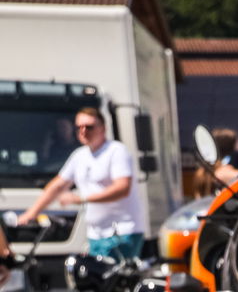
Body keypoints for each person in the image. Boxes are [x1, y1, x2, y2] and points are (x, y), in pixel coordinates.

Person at [17, 106, 148, 262]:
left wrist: (81, 199)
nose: (83, 131)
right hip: (96, 233)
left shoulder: (116, 151)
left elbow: (122, 188)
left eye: (89, 127)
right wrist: (32, 213)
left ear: (103, 128)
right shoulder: (79, 156)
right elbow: (57, 186)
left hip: (122, 232)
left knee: (115, 283)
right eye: (79, 127)